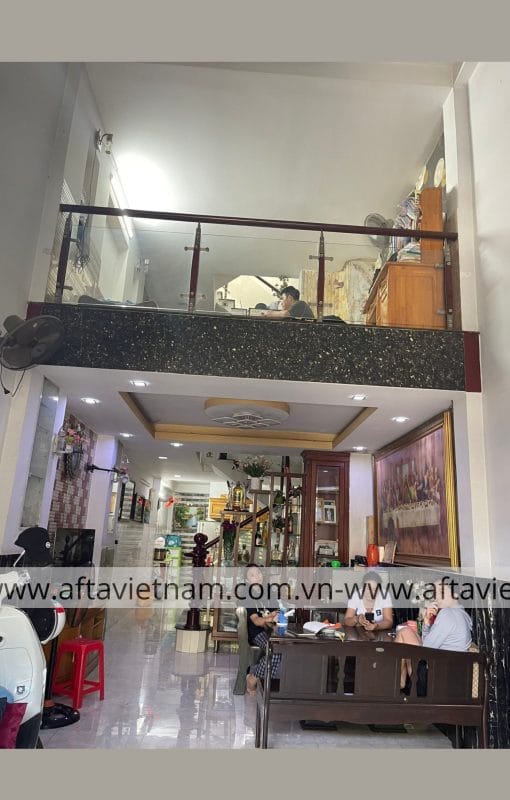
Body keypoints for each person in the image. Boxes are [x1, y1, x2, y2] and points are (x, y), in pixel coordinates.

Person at [395, 580, 473, 691]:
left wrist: (426, 625)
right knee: (406, 633)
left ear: (455, 594)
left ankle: (396, 683)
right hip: (451, 673)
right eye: (435, 593)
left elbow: (426, 649)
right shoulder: (463, 614)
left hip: (436, 677)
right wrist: (427, 622)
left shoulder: (447, 614)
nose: (437, 597)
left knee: (404, 633)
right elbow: (429, 644)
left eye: (442, 592)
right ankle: (399, 682)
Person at [244, 564, 279, 693]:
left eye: (258, 573)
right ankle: (253, 679)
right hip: (256, 633)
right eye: (252, 575)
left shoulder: (268, 591)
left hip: (271, 631)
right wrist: (269, 618)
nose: (257, 577)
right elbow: (256, 621)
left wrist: (275, 616)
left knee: (285, 649)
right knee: (275, 651)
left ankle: (258, 676)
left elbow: (276, 612)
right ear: (247, 580)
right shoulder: (247, 596)